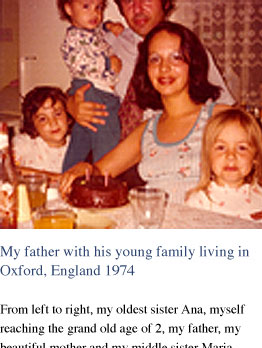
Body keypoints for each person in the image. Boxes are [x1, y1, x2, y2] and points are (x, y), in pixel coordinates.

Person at [60, 21, 230, 203]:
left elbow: (255, 178)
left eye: (176, 57)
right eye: (155, 59)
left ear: (193, 64)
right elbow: (100, 171)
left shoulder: (219, 117)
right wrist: (84, 168)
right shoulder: (148, 129)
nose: (164, 68)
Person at [68, 0, 235, 139]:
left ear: (165, 2)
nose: (138, 8)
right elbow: (77, 89)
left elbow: (227, 112)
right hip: (111, 151)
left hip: (171, 152)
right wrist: (72, 106)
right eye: (128, 0)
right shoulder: (103, 45)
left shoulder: (190, 50)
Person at [57, 0, 124, 172]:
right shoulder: (74, 37)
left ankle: (67, 175)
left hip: (92, 89)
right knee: (107, 137)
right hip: (93, 90)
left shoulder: (90, 31)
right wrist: (109, 64)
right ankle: (106, 182)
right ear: (69, 8)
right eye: (86, 6)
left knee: (82, 138)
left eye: (98, 7)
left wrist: (108, 25)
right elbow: (80, 62)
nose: (94, 13)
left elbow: (100, 33)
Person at [185, 108, 262, 222]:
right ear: (208, 157)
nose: (231, 156)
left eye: (242, 148)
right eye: (221, 147)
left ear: (255, 157)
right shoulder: (198, 202)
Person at [13, 86, 72, 175]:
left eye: (58, 114)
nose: (53, 123)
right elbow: (8, 169)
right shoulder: (24, 143)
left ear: (68, 115)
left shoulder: (77, 146)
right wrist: (55, 178)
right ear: (32, 124)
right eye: (43, 119)